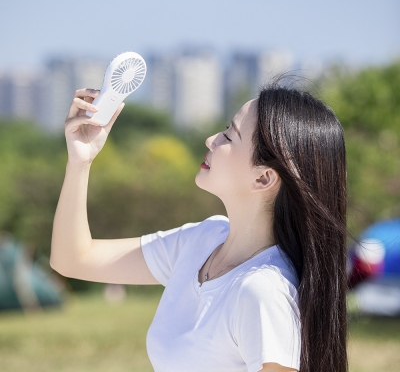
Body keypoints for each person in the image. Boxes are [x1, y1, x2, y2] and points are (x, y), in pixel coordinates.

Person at [50, 83, 349, 372]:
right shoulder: (202, 241)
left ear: (263, 179)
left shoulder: (262, 291)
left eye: (229, 137)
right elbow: (72, 259)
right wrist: (80, 160)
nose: (211, 139)